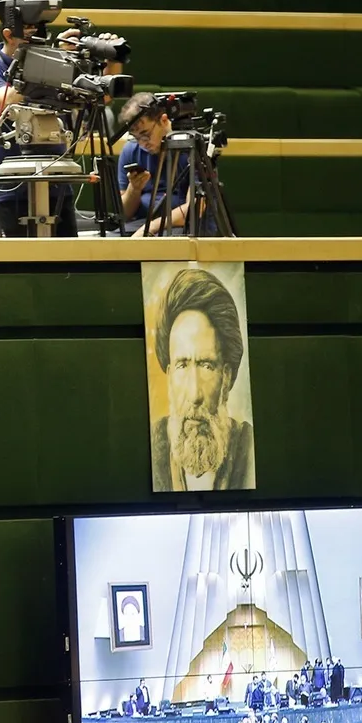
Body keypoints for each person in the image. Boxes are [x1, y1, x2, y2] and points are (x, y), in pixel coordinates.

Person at [0, 17, 80, 237]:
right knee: (17, 258)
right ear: (8, 35)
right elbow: (8, 99)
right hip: (13, 187)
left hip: (58, 182)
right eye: (29, 34)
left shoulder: (57, 63)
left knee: (67, 257)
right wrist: (52, 63)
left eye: (39, 32)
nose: (37, 39)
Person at [150, 267, 256, 492]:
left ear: (226, 378)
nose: (194, 394)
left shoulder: (249, 450)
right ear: (169, 377)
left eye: (206, 366)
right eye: (182, 365)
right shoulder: (151, 445)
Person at [114, 93, 192, 236]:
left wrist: (149, 228)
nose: (142, 143)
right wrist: (134, 189)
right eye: (136, 137)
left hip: (180, 225)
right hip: (140, 223)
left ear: (163, 120)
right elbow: (124, 214)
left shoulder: (191, 147)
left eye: (146, 134)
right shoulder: (131, 149)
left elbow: (194, 209)